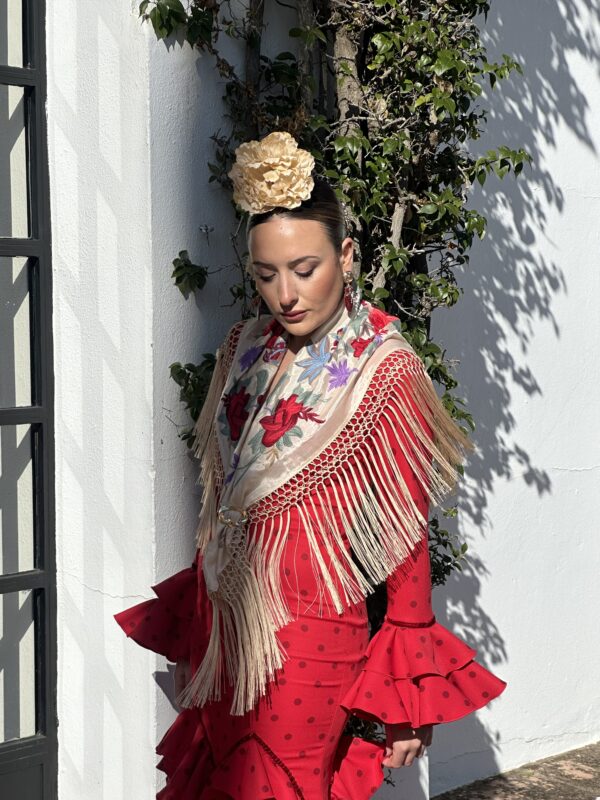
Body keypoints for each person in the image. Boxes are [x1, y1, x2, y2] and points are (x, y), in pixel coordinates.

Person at [114, 131, 506, 800]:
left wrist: (402, 702)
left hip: (313, 642)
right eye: (266, 275)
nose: (286, 293)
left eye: (305, 268)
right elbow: (224, 498)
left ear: (345, 256)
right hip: (228, 627)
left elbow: (404, 537)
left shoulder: (383, 368)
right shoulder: (243, 348)